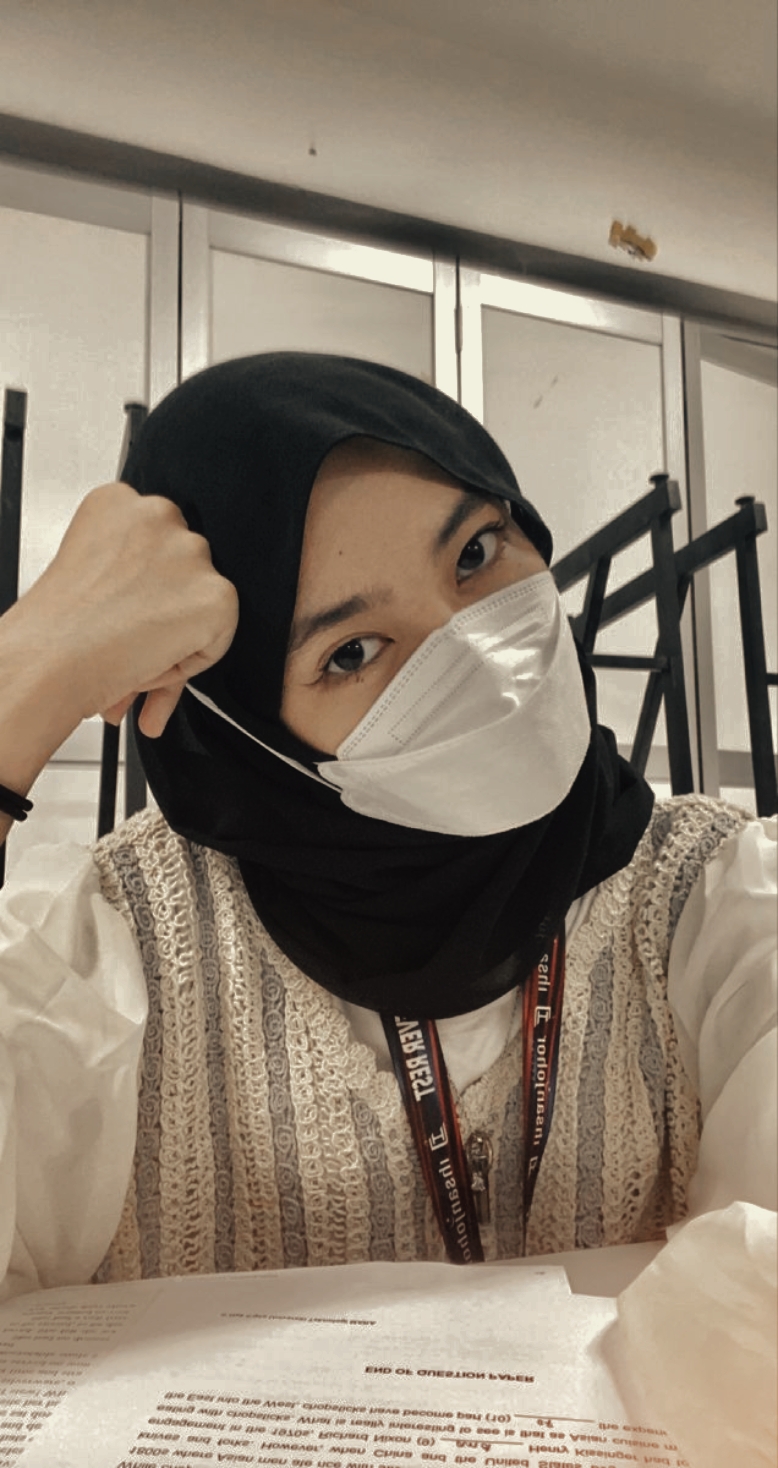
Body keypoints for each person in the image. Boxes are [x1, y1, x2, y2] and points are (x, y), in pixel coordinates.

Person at [0, 353, 774, 1300]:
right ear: (248, 738)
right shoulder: (109, 958)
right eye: (352, 651)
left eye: (476, 553)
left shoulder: (715, 900)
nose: (476, 658)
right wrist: (27, 671)